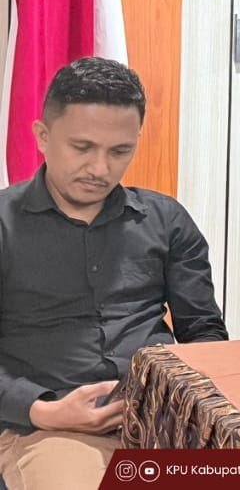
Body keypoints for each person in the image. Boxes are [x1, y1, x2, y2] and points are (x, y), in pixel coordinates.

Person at [0, 57, 227, 490]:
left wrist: (183, 398)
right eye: (82, 148)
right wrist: (42, 410)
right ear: (43, 136)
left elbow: (205, 332)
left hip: (165, 419)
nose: (100, 169)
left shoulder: (165, 220)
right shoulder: (4, 225)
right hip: (48, 428)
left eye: (120, 151)